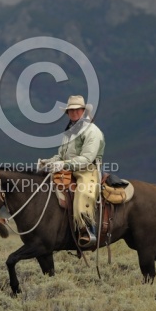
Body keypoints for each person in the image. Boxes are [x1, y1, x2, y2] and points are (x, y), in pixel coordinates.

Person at [40, 95, 105, 248]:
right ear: (67, 113)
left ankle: (88, 231)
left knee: (83, 193)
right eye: (71, 110)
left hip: (87, 171)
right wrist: (48, 162)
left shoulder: (92, 131)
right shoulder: (69, 132)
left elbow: (87, 158)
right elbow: (61, 155)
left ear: (83, 111)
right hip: (69, 169)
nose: (74, 113)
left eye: (77, 110)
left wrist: (63, 164)